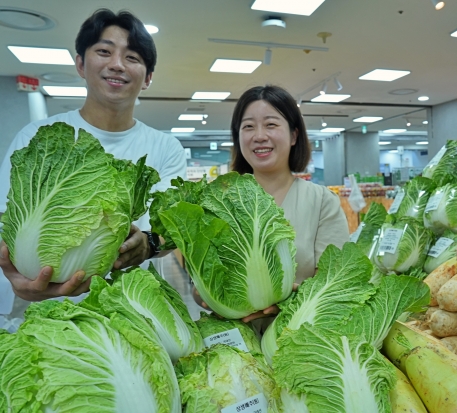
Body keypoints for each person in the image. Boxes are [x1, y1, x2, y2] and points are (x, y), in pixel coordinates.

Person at [0, 9, 186, 312]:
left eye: (132, 58)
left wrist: (148, 244)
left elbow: (171, 229)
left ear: (148, 77)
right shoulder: (38, 138)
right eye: (104, 51)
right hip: (39, 309)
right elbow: (5, 216)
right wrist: (13, 276)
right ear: (80, 63)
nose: (116, 64)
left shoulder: (165, 147)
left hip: (125, 308)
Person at [194, 85, 350, 323]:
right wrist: (204, 293)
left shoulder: (321, 201)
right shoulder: (216, 202)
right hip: (236, 344)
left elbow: (335, 280)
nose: (259, 136)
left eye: (271, 124)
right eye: (248, 126)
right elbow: (201, 279)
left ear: (294, 135)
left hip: (299, 336)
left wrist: (290, 301)